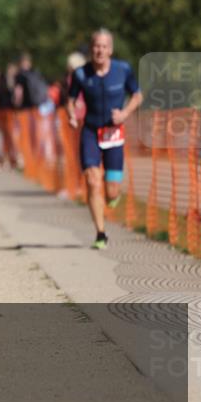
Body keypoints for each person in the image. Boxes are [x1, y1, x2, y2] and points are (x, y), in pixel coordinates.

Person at [66, 29, 142, 250]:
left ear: (111, 49)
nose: (100, 50)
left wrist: (125, 114)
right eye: (96, 46)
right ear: (91, 49)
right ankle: (100, 233)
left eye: (104, 46)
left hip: (113, 133)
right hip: (90, 130)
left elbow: (137, 95)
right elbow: (70, 100)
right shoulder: (81, 74)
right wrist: (71, 115)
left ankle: (112, 197)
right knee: (92, 180)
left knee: (111, 192)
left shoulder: (123, 70)